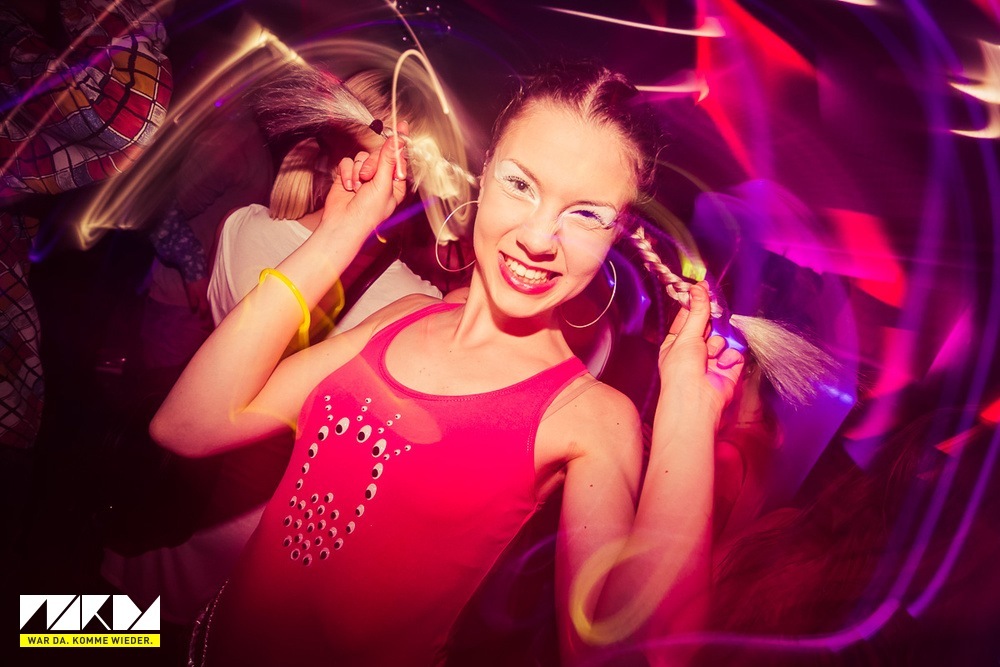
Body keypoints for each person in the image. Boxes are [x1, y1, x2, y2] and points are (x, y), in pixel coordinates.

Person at [152, 61, 748, 666]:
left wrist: (688, 414)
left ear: (618, 231)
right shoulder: (403, 315)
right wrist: (340, 233)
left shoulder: (591, 416)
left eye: (587, 214)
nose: (539, 239)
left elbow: (630, 657)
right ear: (484, 172)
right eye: (520, 184)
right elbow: (189, 425)